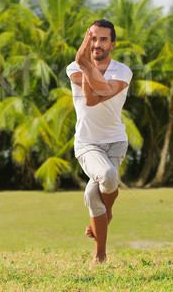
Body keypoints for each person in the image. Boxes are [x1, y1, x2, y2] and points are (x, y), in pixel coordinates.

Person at [66, 19, 133, 263]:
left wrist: (86, 64)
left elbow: (96, 97)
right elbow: (89, 96)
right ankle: (103, 243)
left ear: (112, 44)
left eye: (103, 39)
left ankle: (101, 245)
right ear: (86, 40)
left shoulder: (122, 71)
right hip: (87, 144)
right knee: (106, 176)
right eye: (92, 38)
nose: (97, 44)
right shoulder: (73, 67)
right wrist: (84, 63)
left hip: (116, 142)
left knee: (95, 194)